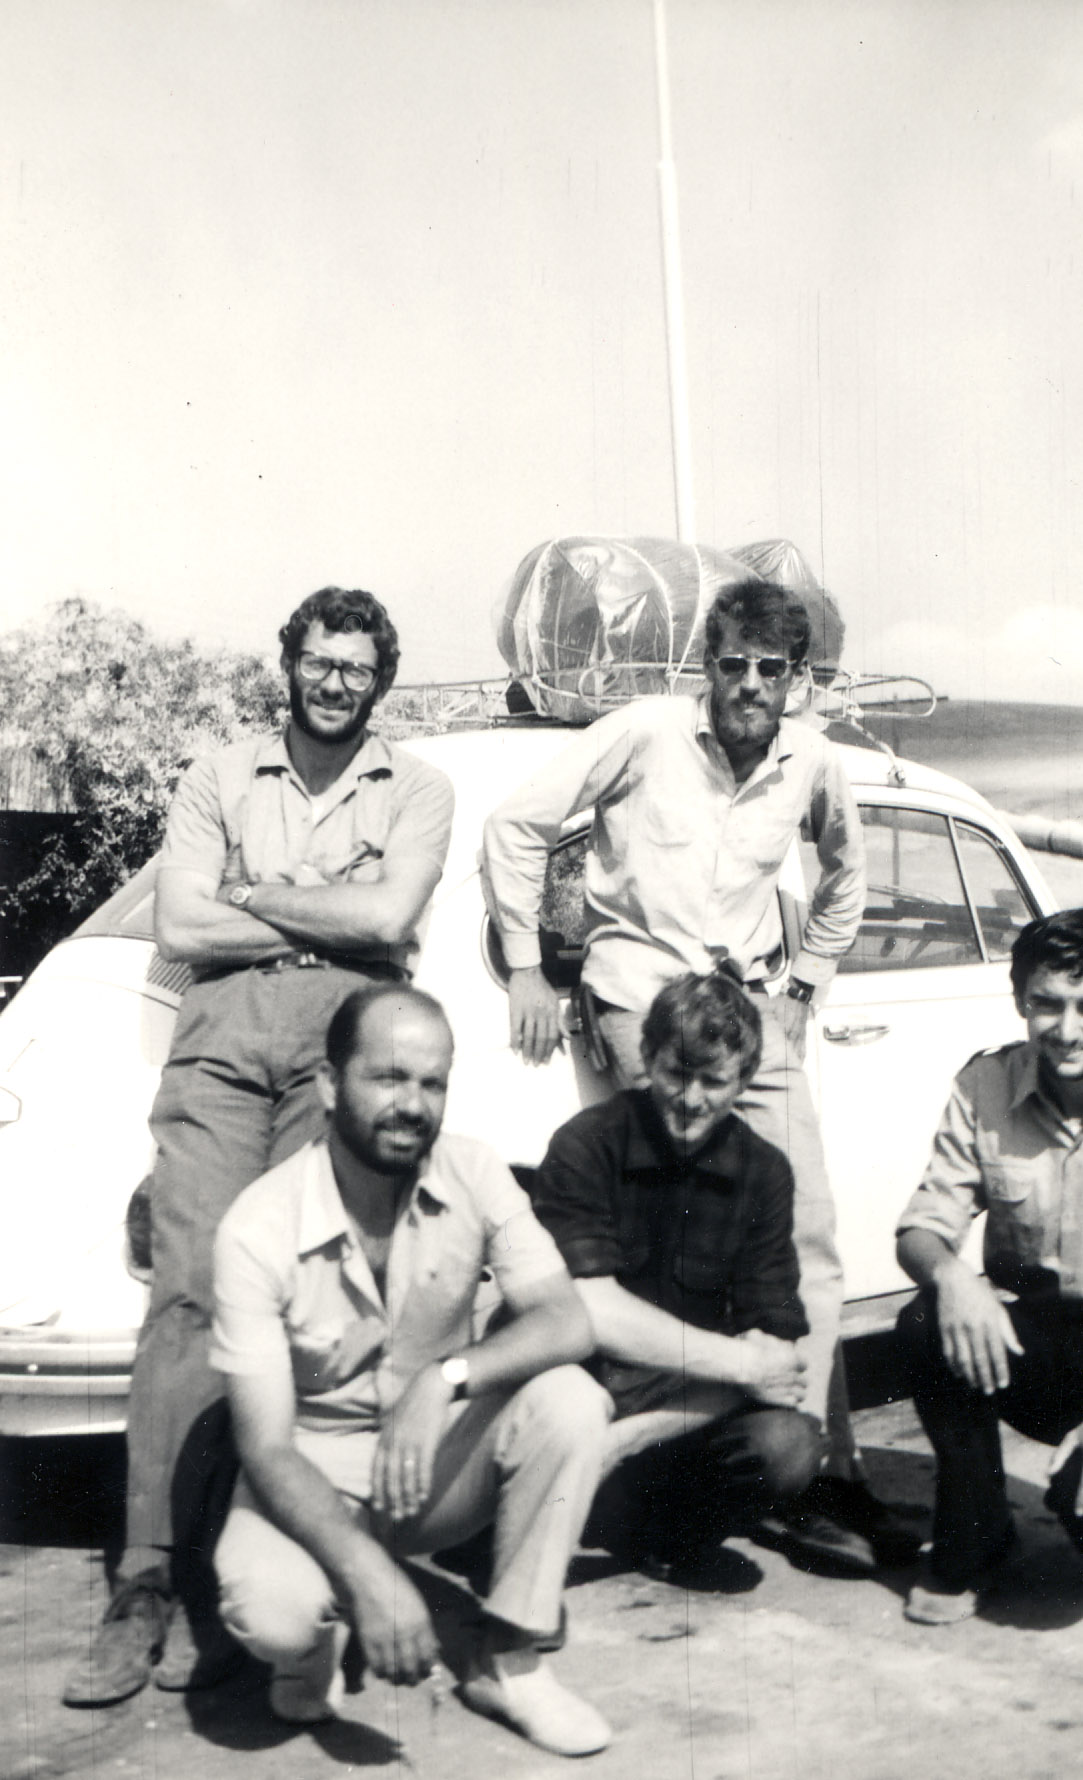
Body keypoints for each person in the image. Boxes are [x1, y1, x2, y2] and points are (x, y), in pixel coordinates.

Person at [64, 586, 454, 1708]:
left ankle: (242, 1571)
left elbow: (390, 922)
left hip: (343, 1043)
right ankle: (145, 1582)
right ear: (290, 663)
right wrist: (326, 900)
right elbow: (182, 924)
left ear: (380, 681)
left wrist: (252, 891)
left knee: (297, 1297)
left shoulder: (418, 788)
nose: (336, 682)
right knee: (188, 1291)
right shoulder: (217, 774)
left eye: (357, 668)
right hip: (224, 1039)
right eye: (319, 661)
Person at [483, 575, 915, 1572]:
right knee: (676, 1237)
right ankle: (656, 1472)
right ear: (705, 668)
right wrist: (525, 967)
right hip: (641, 1003)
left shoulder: (812, 759)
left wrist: (803, 985)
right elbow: (515, 824)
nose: (749, 684)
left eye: (770, 668)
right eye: (732, 664)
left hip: (746, 1013)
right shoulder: (643, 733)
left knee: (808, 1232)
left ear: (797, 678)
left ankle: (820, 1466)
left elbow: (848, 874)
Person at [210, 983, 612, 1755]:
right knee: (274, 1616)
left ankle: (509, 1662)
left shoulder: (474, 1170)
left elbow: (566, 1319)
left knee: (570, 1401)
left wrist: (445, 1377)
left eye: (432, 1083)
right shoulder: (257, 1227)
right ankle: (314, 1643)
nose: (412, 1105)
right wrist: (369, 1574)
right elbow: (264, 1448)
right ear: (330, 1085)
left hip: (432, 1463)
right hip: (311, 1473)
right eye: (389, 1078)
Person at [530, 968, 821, 1582]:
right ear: (646, 1056)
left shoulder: (764, 1173)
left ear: (744, 1080)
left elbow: (774, 1358)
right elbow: (590, 1309)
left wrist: (627, 1440)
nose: (691, 1099)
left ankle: (650, 1529)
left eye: (714, 1081)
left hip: (677, 1410)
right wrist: (739, 1363)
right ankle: (571, 1513)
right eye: (676, 1073)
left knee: (789, 1445)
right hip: (580, 1391)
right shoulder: (586, 1144)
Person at [896, 908, 1083, 1624]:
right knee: (925, 1320)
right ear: (1019, 1002)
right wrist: (953, 1278)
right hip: (1040, 1342)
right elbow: (921, 1228)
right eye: (1047, 1004)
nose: (1067, 1029)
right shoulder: (985, 1085)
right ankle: (975, 1535)